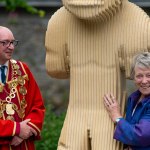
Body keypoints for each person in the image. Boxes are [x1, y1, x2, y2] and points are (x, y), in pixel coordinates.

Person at [45, 0, 150, 149]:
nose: (144, 80)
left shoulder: (58, 21)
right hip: (92, 118)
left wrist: (117, 118)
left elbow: (56, 68)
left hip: (94, 119)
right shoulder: (138, 21)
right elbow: (55, 69)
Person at [0, 26, 45, 150]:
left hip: (22, 145)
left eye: (13, 42)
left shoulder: (22, 69)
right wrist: (17, 129)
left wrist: (26, 130)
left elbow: (38, 106)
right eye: (5, 43)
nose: (11, 47)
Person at [103, 52, 150, 149]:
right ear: (133, 78)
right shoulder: (133, 98)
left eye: (149, 75)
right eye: (139, 76)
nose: (144, 81)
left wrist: (117, 117)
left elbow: (141, 135)